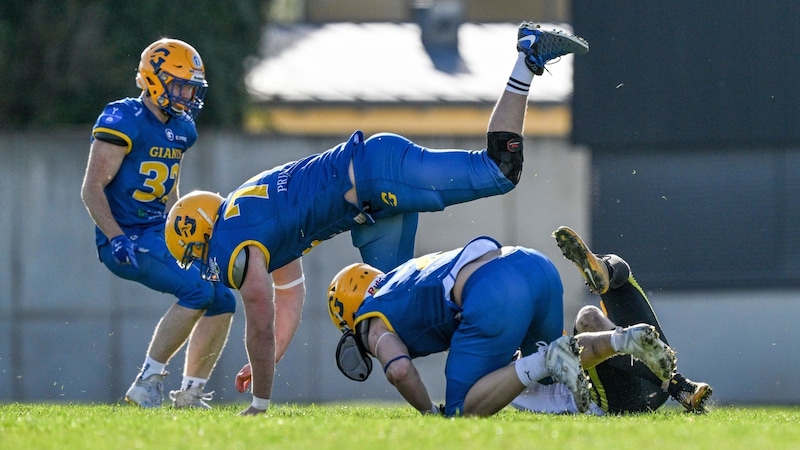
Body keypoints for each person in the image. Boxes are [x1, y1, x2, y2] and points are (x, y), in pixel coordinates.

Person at [168, 22, 590, 415]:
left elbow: (259, 320)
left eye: (195, 251)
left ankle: (527, 57)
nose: (204, 264)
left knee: (498, 170)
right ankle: (503, 372)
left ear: (202, 231)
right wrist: (271, 357)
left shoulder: (229, 241)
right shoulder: (251, 223)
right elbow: (288, 297)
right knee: (396, 304)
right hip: (368, 205)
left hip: (373, 175)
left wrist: (260, 400)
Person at [320, 236, 676, 417]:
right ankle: (620, 338)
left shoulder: (371, 317)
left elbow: (398, 370)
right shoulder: (404, 274)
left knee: (463, 409)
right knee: (557, 364)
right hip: (531, 263)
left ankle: (548, 360)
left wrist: (429, 413)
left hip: (492, 293)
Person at [80, 38, 236, 409]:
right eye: (180, 84)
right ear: (154, 79)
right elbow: (91, 189)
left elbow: (170, 188)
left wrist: (180, 227)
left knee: (223, 298)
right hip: (124, 236)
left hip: (156, 230)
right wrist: (115, 237)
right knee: (197, 292)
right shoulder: (124, 118)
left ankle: (191, 393)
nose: (186, 95)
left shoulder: (182, 129)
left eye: (191, 87)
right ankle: (147, 383)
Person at [511, 226, 713, 414]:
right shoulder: (502, 368)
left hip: (649, 379)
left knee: (619, 279)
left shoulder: (510, 337)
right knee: (588, 319)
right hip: (610, 400)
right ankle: (676, 384)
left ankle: (604, 270)